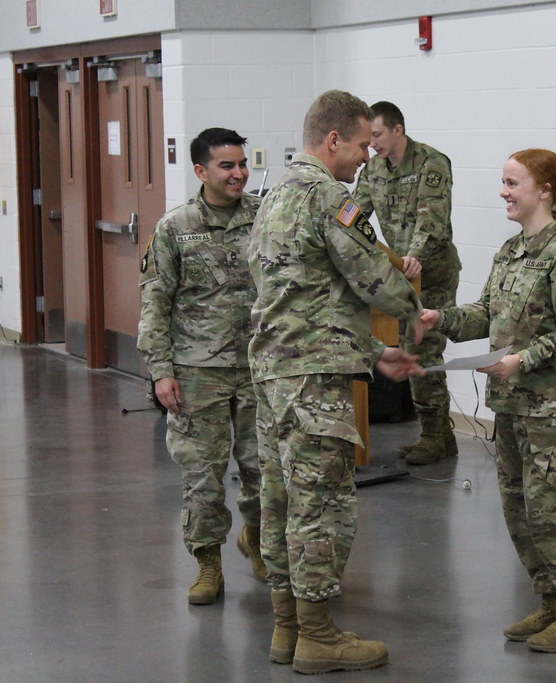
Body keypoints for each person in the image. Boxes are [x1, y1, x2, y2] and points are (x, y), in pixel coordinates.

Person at [247, 90, 424, 674]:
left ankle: (287, 629)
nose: (367, 158)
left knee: (279, 503)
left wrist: (373, 351)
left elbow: (301, 297)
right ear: (333, 141)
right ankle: (319, 636)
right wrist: (412, 308)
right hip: (313, 382)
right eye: (362, 146)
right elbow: (374, 278)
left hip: (275, 375)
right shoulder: (329, 197)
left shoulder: (273, 195)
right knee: (321, 507)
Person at [416, 149, 556, 653]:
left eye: (511, 182)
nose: (503, 191)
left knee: (555, 512)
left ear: (544, 190)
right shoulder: (510, 251)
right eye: (502, 181)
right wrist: (443, 319)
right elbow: (486, 314)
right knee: (520, 511)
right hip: (514, 408)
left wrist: (520, 360)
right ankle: (551, 601)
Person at [137, 127, 266, 606]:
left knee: (263, 468)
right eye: (227, 166)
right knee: (203, 476)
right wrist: (160, 369)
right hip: (197, 370)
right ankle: (208, 564)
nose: (238, 174)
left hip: (259, 366)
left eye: (242, 164)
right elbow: (155, 301)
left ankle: (257, 540)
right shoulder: (176, 227)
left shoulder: (265, 217)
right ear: (201, 171)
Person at [353, 101, 462, 465]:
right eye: (369, 138)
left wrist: (414, 256)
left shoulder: (432, 163)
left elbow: (431, 220)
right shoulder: (373, 170)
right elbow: (355, 215)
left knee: (423, 349)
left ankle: (435, 434)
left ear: (398, 129)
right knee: (409, 347)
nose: (373, 144)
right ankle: (441, 436)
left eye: (378, 135)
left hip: (432, 273)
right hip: (399, 275)